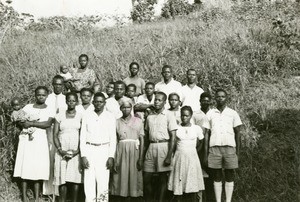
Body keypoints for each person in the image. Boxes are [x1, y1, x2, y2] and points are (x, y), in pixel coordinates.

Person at [13, 86, 54, 202]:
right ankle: (24, 197)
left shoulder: (50, 108)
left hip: (40, 140)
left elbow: (48, 123)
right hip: (27, 140)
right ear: (35, 95)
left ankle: (36, 197)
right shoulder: (28, 107)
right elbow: (20, 120)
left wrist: (31, 123)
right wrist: (23, 124)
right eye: (38, 94)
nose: (41, 97)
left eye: (43, 95)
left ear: (47, 95)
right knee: (25, 166)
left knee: (38, 168)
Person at [203, 89, 243, 202]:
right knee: (216, 175)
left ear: (226, 98)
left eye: (223, 96)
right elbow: (206, 135)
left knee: (230, 175)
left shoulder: (232, 113)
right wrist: (206, 154)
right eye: (218, 96)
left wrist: (238, 153)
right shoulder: (210, 113)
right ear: (215, 99)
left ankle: (228, 200)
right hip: (214, 148)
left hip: (230, 148)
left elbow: (238, 133)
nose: (220, 98)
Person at [80, 92, 116, 202]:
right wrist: (83, 155)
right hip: (90, 149)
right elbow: (82, 137)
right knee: (89, 181)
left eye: (101, 102)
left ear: (105, 103)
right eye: (96, 102)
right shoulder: (87, 115)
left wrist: (111, 156)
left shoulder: (110, 116)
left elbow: (113, 138)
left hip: (104, 150)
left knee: (103, 181)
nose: (98, 104)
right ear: (93, 102)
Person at [143, 91, 177, 202]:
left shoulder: (169, 115)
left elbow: (173, 136)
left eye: (159, 100)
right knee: (146, 178)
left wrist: (169, 155)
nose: (157, 102)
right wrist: (143, 154)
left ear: (164, 102)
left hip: (164, 146)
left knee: (163, 179)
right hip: (151, 147)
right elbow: (147, 137)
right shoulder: (150, 117)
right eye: (155, 100)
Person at [168, 106, 205, 202]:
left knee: (192, 179)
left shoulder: (196, 128)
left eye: (187, 116)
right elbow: (173, 142)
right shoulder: (177, 128)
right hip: (179, 156)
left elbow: (201, 141)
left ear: (191, 116)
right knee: (179, 179)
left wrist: (195, 151)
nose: (184, 118)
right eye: (182, 115)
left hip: (192, 157)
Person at [110, 99, 144, 199]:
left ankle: (133, 196)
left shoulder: (138, 121)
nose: (126, 109)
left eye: (128, 107)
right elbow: (114, 141)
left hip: (134, 150)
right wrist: (115, 157)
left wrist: (141, 158)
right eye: (123, 107)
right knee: (120, 174)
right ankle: (122, 196)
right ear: (120, 109)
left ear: (131, 108)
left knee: (134, 174)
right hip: (121, 151)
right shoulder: (117, 122)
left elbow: (142, 139)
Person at [53, 92, 83, 202]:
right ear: (66, 101)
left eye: (73, 101)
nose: (71, 103)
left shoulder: (81, 116)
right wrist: (60, 150)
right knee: (62, 178)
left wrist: (78, 150)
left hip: (76, 150)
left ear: (77, 102)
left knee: (75, 178)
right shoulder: (59, 116)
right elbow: (55, 134)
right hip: (62, 149)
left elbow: (83, 134)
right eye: (69, 100)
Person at [44, 75, 68, 196]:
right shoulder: (47, 98)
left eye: (60, 84)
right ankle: (47, 190)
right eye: (56, 84)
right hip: (49, 130)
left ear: (63, 85)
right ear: (52, 84)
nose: (58, 86)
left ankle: (58, 191)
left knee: (59, 160)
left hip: (61, 131)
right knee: (49, 158)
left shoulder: (65, 99)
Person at [193, 92, 214, 202]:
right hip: (199, 146)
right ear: (200, 101)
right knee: (199, 172)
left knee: (211, 173)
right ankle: (199, 198)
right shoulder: (195, 114)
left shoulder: (214, 113)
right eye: (203, 100)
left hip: (212, 145)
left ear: (210, 101)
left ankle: (210, 197)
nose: (205, 102)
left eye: (207, 100)